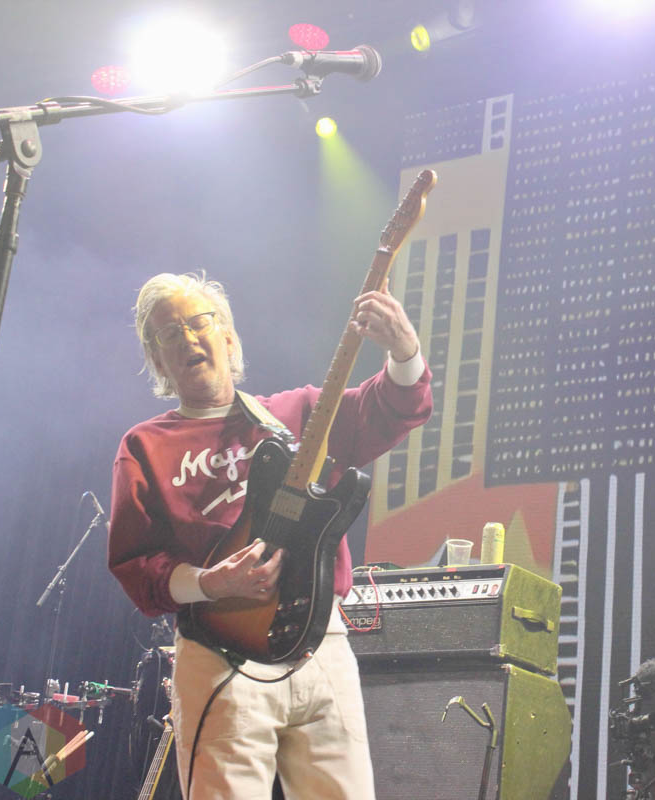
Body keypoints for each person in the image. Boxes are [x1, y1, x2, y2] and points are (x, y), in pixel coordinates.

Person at [108, 272, 432, 799]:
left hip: (321, 645)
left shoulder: (296, 413)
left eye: (199, 323)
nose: (188, 338)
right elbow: (136, 564)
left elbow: (394, 407)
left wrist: (404, 349)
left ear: (227, 336)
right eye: (169, 334)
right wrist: (210, 583)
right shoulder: (145, 445)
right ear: (157, 360)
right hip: (220, 654)